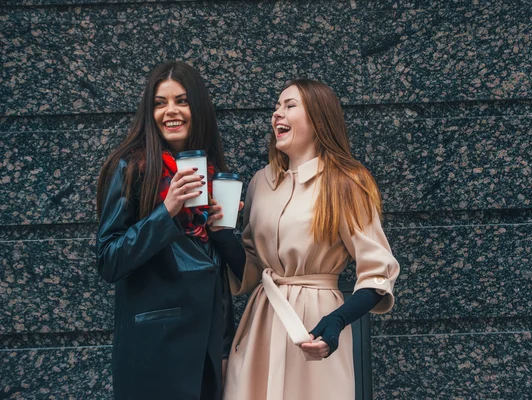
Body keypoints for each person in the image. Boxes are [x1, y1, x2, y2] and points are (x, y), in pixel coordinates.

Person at [213, 79, 400, 399]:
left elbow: (378, 269)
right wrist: (220, 234)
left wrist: (337, 321)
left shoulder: (346, 182)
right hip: (262, 321)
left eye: (289, 105)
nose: (277, 114)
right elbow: (251, 269)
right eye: (276, 107)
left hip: (313, 325)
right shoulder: (261, 181)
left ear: (318, 118)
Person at [95, 61, 235, 400]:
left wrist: (220, 228)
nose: (170, 111)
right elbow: (109, 259)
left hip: (208, 348)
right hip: (156, 348)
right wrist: (167, 212)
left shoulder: (213, 173)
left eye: (181, 100)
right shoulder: (130, 168)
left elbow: (223, 272)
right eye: (160, 103)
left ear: (197, 108)